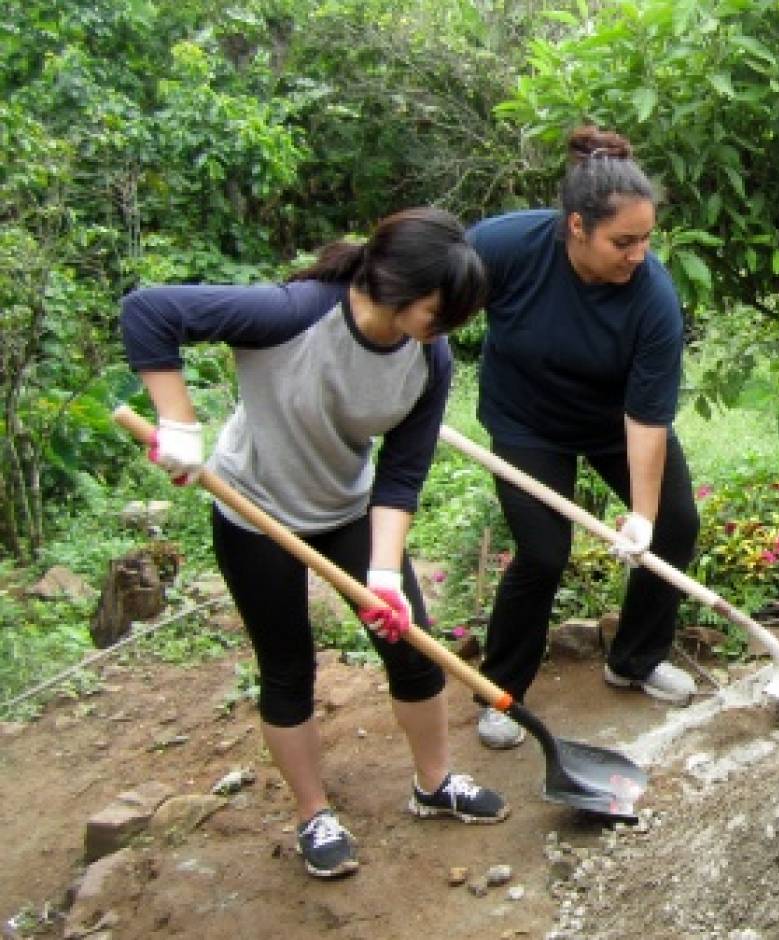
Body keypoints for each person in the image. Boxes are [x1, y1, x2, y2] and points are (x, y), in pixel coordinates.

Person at [119, 208, 510, 880]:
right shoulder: (291, 314)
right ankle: (313, 814)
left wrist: (385, 574)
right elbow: (148, 311)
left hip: (349, 508)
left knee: (412, 652)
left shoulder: (430, 357)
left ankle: (435, 782)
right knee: (288, 667)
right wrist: (178, 423)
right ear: (394, 285)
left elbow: (403, 470)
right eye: (439, 311)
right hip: (255, 510)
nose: (446, 331)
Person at [468, 125, 701, 751]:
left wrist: (643, 517)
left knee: (675, 526)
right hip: (525, 424)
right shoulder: (505, 246)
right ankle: (501, 693)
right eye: (622, 241)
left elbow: (648, 419)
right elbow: (431, 299)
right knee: (543, 553)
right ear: (576, 226)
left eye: (647, 238)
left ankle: (633, 660)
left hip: (611, 422)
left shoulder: (652, 297)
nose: (638, 254)